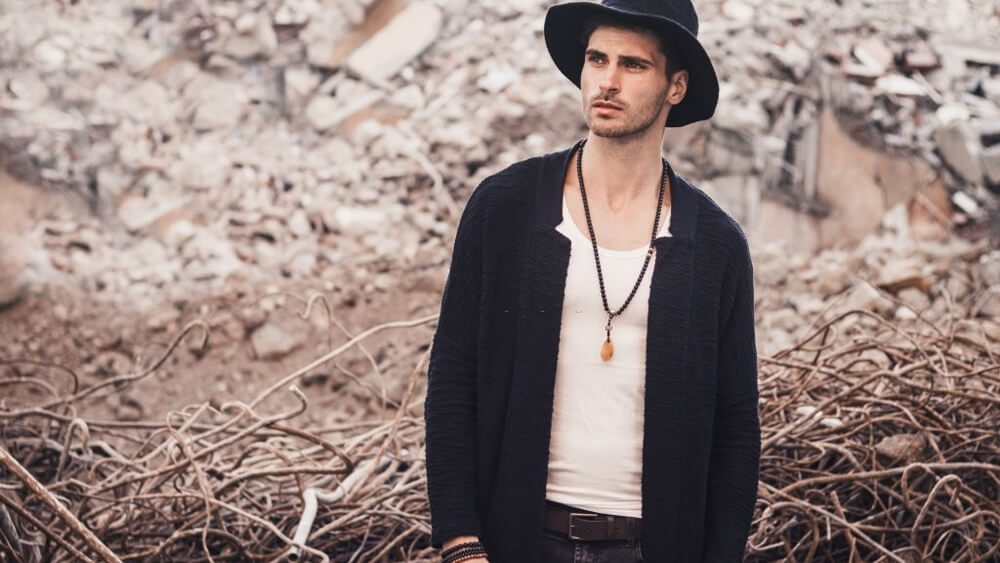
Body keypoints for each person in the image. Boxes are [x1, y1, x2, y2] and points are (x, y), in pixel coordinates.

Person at [423, 0, 761, 561]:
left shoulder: (717, 245)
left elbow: (735, 427)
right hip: (518, 538)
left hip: (653, 545)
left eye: (633, 65)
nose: (606, 81)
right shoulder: (504, 207)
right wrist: (460, 540)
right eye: (596, 58)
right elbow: (454, 377)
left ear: (676, 86)